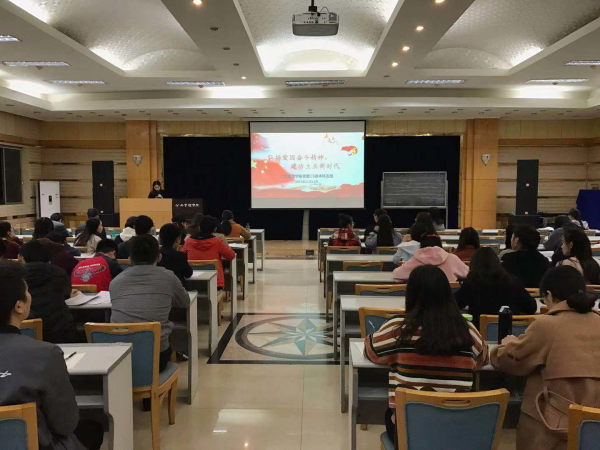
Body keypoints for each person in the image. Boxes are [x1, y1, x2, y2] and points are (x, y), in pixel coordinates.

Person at [365, 265, 488, 443]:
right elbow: (483, 357)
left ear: (410, 295)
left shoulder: (399, 328)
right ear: (448, 295)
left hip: (410, 432)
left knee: (390, 416)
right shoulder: (466, 329)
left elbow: (371, 351)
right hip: (457, 431)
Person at [491, 266, 600, 450]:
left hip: (553, 429)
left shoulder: (547, 325)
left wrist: (506, 344)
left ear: (549, 295)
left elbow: (511, 361)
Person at [0, 261, 104, 450]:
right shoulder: (45, 355)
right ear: (19, 306)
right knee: (92, 429)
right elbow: (65, 424)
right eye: (27, 291)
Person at [110, 235, 190, 370]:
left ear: (130, 259)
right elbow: (185, 302)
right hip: (156, 355)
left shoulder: (115, 282)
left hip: (119, 358)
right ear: (159, 257)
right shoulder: (169, 277)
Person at [455, 247, 537, 328]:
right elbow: (531, 308)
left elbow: (455, 304)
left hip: (479, 332)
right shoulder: (513, 282)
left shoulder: (471, 283)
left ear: (473, 264)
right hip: (512, 333)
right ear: (497, 263)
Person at [18, 241, 78, 344]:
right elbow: (66, 293)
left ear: (22, 257)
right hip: (60, 329)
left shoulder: (14, 276)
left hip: (25, 331)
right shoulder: (59, 272)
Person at [182, 216, 235, 290]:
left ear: (199, 227)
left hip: (191, 283)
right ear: (215, 229)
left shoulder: (188, 241)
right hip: (214, 284)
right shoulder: (217, 242)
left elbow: (181, 255)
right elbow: (231, 255)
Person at [392, 234, 469, 282]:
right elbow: (468, 273)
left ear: (421, 245)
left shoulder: (415, 259)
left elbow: (397, 274)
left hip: (421, 301)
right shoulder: (452, 258)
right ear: (440, 245)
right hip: (448, 300)